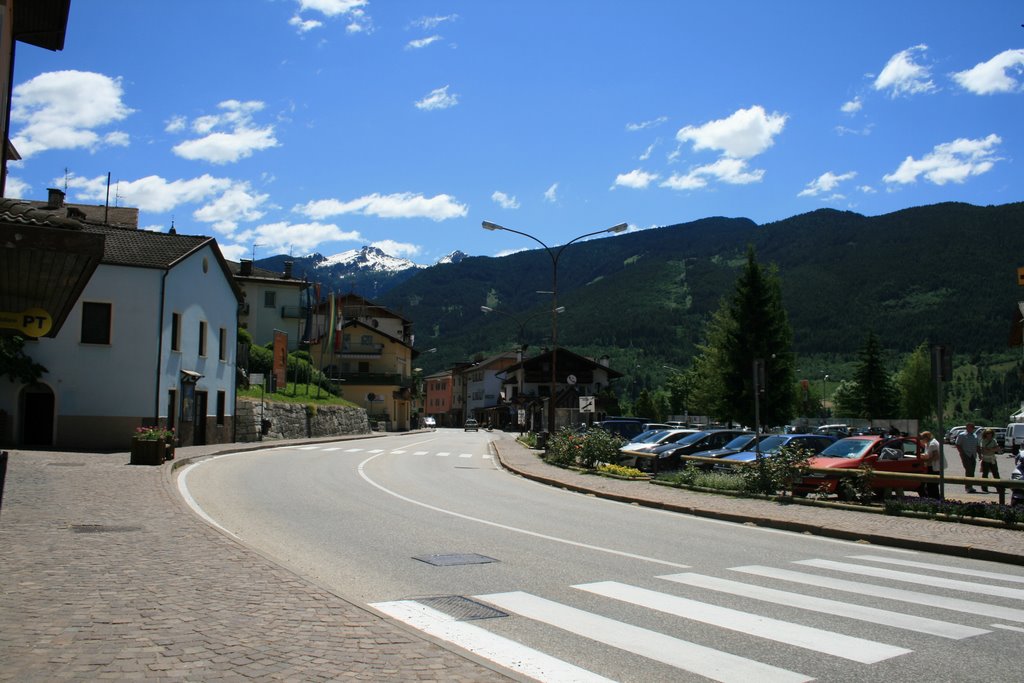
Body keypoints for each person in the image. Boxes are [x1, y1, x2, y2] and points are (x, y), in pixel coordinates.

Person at [955, 422, 980, 493]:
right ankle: (968, 487)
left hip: (973, 455)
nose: (972, 428)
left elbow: (977, 446)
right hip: (966, 455)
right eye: (970, 427)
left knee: (972, 470)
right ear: (967, 427)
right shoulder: (962, 435)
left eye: (973, 427)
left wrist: (980, 454)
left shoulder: (975, 435)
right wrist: (962, 453)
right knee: (969, 470)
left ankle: (970, 485)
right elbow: (957, 444)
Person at [919, 430, 943, 498]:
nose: (921, 440)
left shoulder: (933, 444)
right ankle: (933, 499)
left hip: (934, 467)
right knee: (930, 486)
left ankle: (935, 500)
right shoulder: (928, 443)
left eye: (922, 438)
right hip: (931, 466)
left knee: (932, 486)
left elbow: (936, 456)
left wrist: (927, 461)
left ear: (926, 438)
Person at [978, 427, 1001, 493]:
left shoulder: (994, 440)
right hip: (985, 459)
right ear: (985, 434)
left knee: (996, 473)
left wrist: (990, 449)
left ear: (992, 434)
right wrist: (992, 449)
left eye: (990, 433)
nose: (989, 434)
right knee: (985, 474)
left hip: (992, 458)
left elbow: (997, 448)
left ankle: (999, 488)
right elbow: (983, 449)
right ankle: (984, 488)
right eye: (987, 433)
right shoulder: (983, 441)